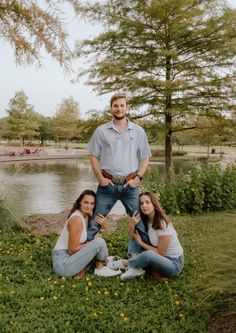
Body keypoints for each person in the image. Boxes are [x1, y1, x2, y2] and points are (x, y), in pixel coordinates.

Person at [87, 93, 152, 252]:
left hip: (130, 186)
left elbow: (145, 157)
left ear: (127, 107)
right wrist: (100, 178)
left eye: (122, 105)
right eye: (115, 105)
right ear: (111, 108)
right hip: (107, 185)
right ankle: (88, 258)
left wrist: (138, 178)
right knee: (95, 222)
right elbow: (93, 156)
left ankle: (143, 258)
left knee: (140, 223)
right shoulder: (101, 131)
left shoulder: (137, 131)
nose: (119, 108)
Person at [108, 192, 184, 281]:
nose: (144, 206)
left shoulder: (162, 223)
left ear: (154, 204)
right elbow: (132, 237)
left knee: (148, 255)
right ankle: (135, 267)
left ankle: (125, 263)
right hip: (159, 258)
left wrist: (141, 243)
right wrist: (132, 225)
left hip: (173, 264)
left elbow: (161, 253)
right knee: (136, 235)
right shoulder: (147, 220)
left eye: (147, 202)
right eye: (141, 203)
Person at [52, 190, 121, 278]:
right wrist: (92, 243)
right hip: (63, 263)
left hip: (70, 257)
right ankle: (100, 267)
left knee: (97, 243)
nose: (89, 206)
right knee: (99, 242)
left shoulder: (86, 216)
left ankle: (93, 265)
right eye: (86, 202)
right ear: (80, 202)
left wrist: (103, 227)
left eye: (92, 204)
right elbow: (72, 250)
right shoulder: (77, 220)